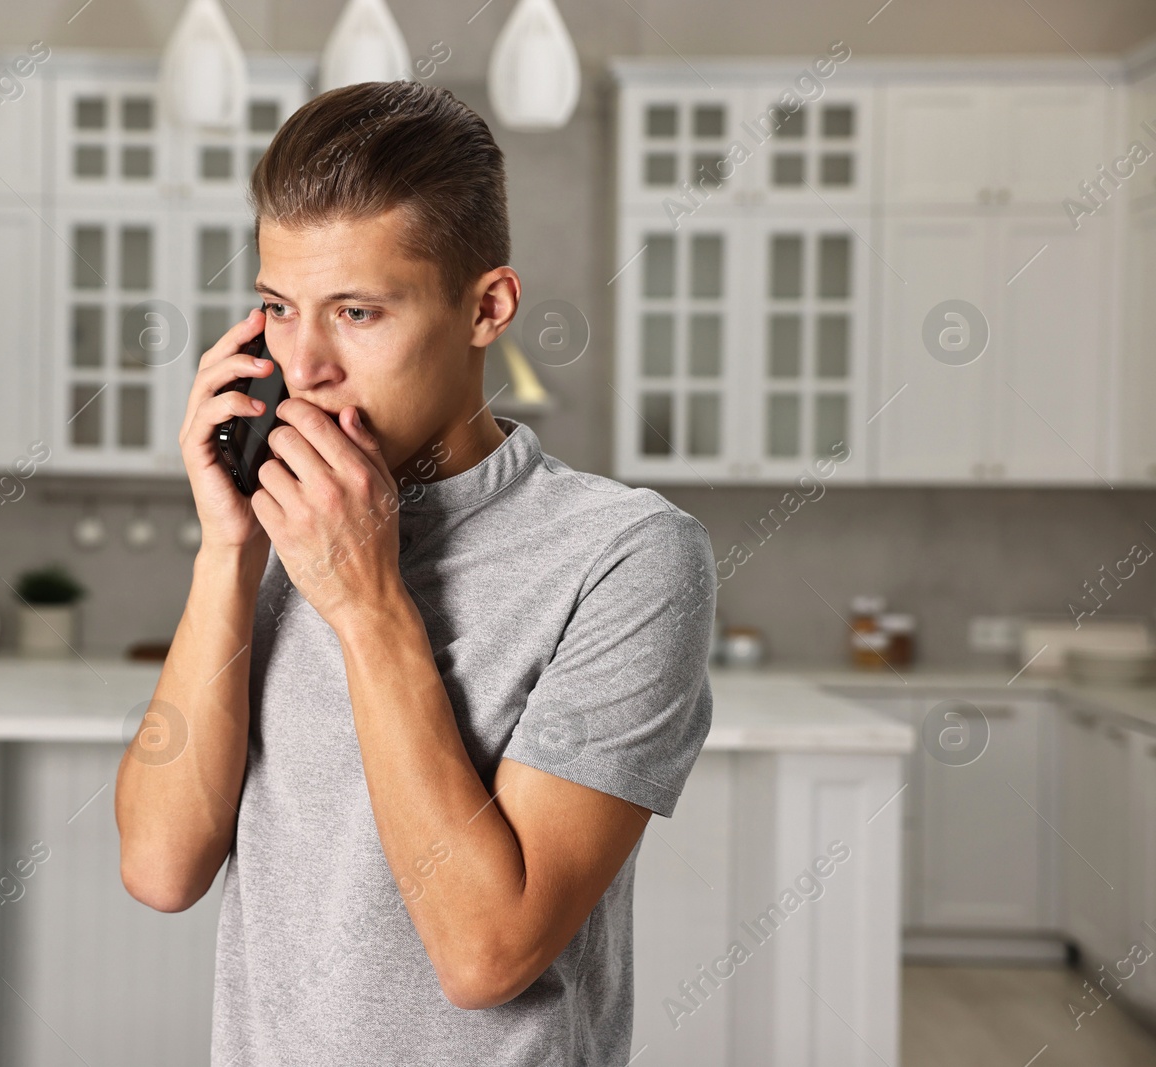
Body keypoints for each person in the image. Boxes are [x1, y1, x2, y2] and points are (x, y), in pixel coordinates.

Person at [114, 79, 715, 1066]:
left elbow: (488, 952)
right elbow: (161, 865)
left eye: (356, 310)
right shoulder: (279, 526)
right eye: (276, 307)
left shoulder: (629, 555)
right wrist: (229, 550)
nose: (302, 365)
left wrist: (365, 596)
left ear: (488, 306)